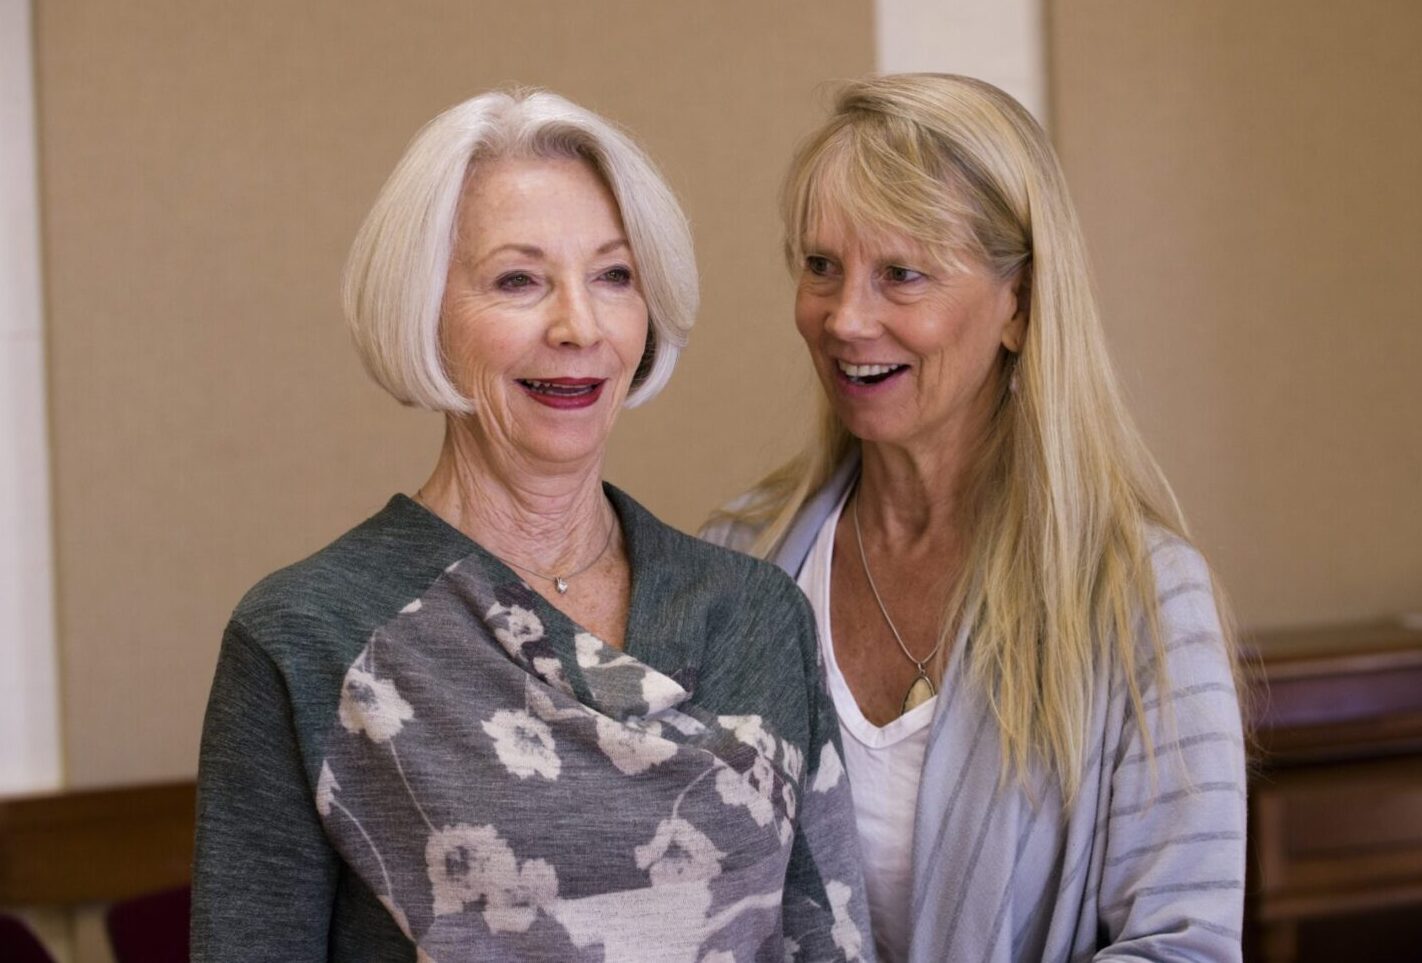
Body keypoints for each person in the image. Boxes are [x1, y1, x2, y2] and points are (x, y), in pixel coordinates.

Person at [191, 89, 872, 962]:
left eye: (613, 276)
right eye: (518, 280)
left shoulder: (754, 612)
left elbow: (832, 941)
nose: (579, 325)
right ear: (425, 310)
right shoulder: (303, 637)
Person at [704, 74, 1247, 962]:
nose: (845, 317)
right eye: (820, 267)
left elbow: (1182, 946)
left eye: (902, 274)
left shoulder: (1145, 599)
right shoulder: (735, 561)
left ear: (1020, 307)